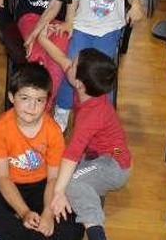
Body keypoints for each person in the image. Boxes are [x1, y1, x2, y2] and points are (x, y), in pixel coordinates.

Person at [46, 0, 143, 129]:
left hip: (109, 31)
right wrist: (69, 22)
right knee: (72, 68)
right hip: (81, 28)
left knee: (101, 74)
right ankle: (63, 109)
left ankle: (100, 117)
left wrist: (136, 8)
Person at [0, 63, 85, 240]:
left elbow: (53, 178)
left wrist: (47, 212)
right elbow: (2, 177)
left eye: (39, 100)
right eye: (25, 98)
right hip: (9, 182)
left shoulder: (53, 131)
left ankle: (17, 234)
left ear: (47, 102)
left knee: (74, 226)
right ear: (11, 97)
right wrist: (24, 212)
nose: (32, 107)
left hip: (42, 185)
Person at [48, 49, 131, 240]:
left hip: (115, 163)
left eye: (74, 64)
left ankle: (96, 232)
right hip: (105, 154)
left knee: (70, 183)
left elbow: (72, 154)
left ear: (78, 84)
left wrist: (59, 192)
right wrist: (40, 35)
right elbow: (62, 60)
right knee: (59, 172)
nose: (70, 63)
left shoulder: (91, 114)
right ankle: (92, 191)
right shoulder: (90, 90)